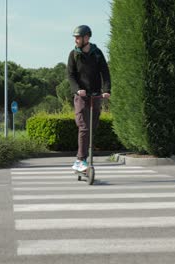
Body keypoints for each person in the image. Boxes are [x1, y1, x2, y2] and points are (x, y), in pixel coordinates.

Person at [67, 25, 111, 172]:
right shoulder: (73, 54)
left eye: (78, 37)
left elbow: (105, 72)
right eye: (75, 37)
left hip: (96, 95)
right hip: (81, 96)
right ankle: (80, 160)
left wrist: (106, 90)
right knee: (83, 126)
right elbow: (71, 75)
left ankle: (84, 158)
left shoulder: (97, 53)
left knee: (92, 127)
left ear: (87, 38)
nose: (76, 40)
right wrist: (77, 89)